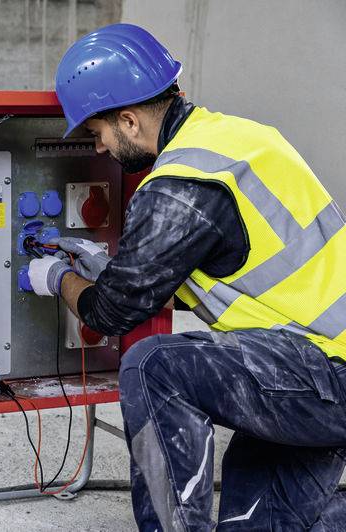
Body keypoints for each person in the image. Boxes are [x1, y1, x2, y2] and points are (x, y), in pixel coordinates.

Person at [27, 23, 346, 531]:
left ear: (129, 120)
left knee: (154, 366)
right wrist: (115, 271)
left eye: (99, 134)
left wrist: (57, 276)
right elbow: (239, 274)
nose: (102, 150)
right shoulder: (237, 139)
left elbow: (112, 312)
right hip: (311, 365)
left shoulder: (179, 184)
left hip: (323, 375)